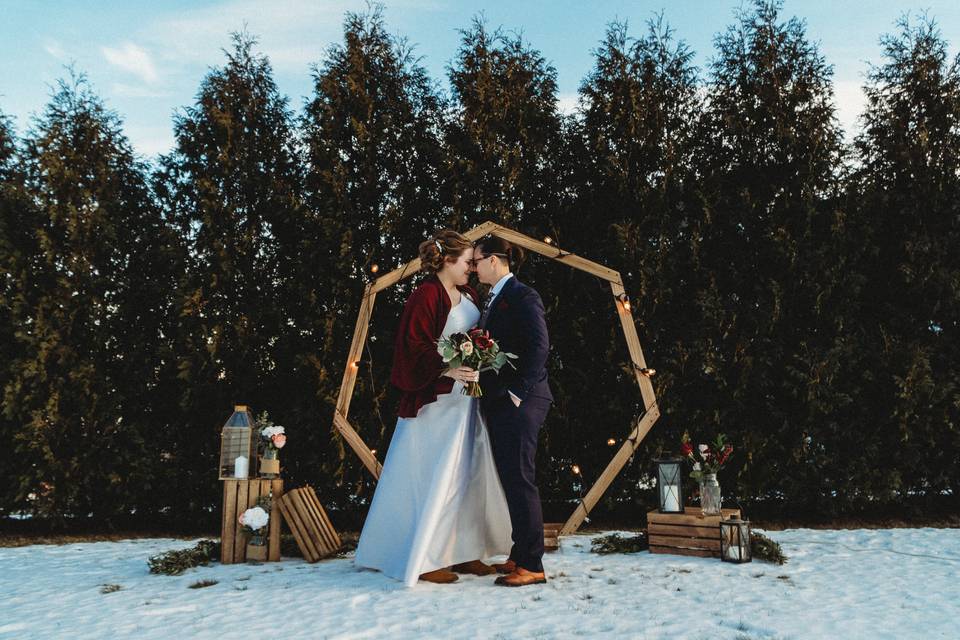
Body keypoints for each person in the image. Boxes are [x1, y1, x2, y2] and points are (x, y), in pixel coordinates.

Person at [354, 230, 512, 586]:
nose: (472, 268)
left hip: (466, 402)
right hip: (436, 404)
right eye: (467, 262)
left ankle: (466, 550)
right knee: (434, 476)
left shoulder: (469, 294)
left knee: (467, 475)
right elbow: (413, 347)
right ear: (447, 261)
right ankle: (425, 556)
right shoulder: (425, 296)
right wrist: (447, 368)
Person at [472, 235, 553, 587]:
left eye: (476, 261)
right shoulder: (491, 300)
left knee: (520, 479)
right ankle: (520, 553)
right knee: (511, 477)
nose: (473, 268)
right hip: (502, 400)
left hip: (523, 399)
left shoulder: (523, 295)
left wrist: (518, 393)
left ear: (494, 260)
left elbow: (539, 345)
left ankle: (533, 564)